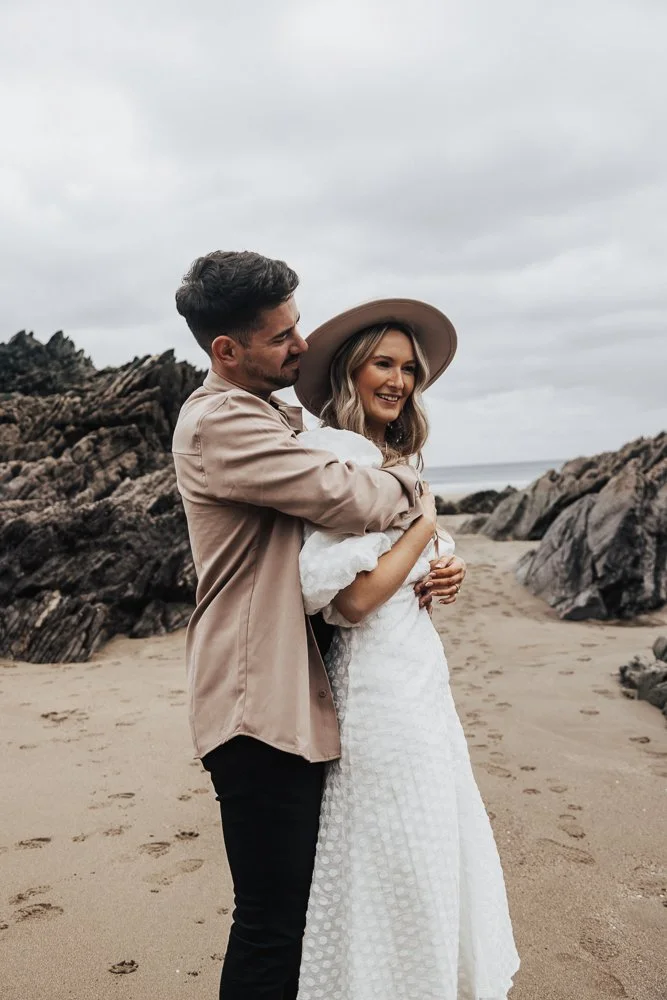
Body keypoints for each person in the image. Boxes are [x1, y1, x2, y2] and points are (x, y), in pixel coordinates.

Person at [171, 252, 466, 1000]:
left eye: (299, 324)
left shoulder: (274, 418)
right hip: (256, 701)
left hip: (293, 693)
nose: (301, 345)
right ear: (225, 351)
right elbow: (349, 499)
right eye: (282, 335)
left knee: (294, 919)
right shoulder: (220, 423)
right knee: (270, 924)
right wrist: (418, 497)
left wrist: (435, 556)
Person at [293, 299, 521, 999]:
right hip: (378, 693)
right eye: (383, 364)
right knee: (397, 858)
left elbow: (396, 570)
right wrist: (425, 531)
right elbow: (350, 600)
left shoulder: (393, 457)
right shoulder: (333, 455)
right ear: (350, 371)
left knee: (430, 849)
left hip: (419, 677)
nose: (398, 380)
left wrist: (443, 562)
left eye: (408, 369)